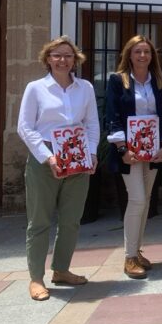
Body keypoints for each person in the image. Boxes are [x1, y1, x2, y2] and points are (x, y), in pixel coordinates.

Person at [17, 36, 99, 301]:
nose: (63, 60)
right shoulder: (36, 88)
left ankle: (61, 269)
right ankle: (36, 279)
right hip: (46, 157)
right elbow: (25, 127)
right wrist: (46, 157)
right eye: (57, 55)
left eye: (68, 55)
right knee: (39, 221)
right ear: (48, 59)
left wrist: (93, 152)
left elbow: (91, 124)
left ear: (76, 60)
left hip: (77, 156)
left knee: (71, 219)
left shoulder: (84, 88)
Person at [106, 35, 162, 279]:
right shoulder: (117, 81)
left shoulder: (160, 81)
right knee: (136, 200)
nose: (143, 56)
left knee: (145, 201)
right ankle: (129, 257)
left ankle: (137, 251)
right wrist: (123, 150)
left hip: (154, 151)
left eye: (147, 52)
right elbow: (112, 116)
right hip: (130, 153)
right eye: (138, 52)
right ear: (129, 54)